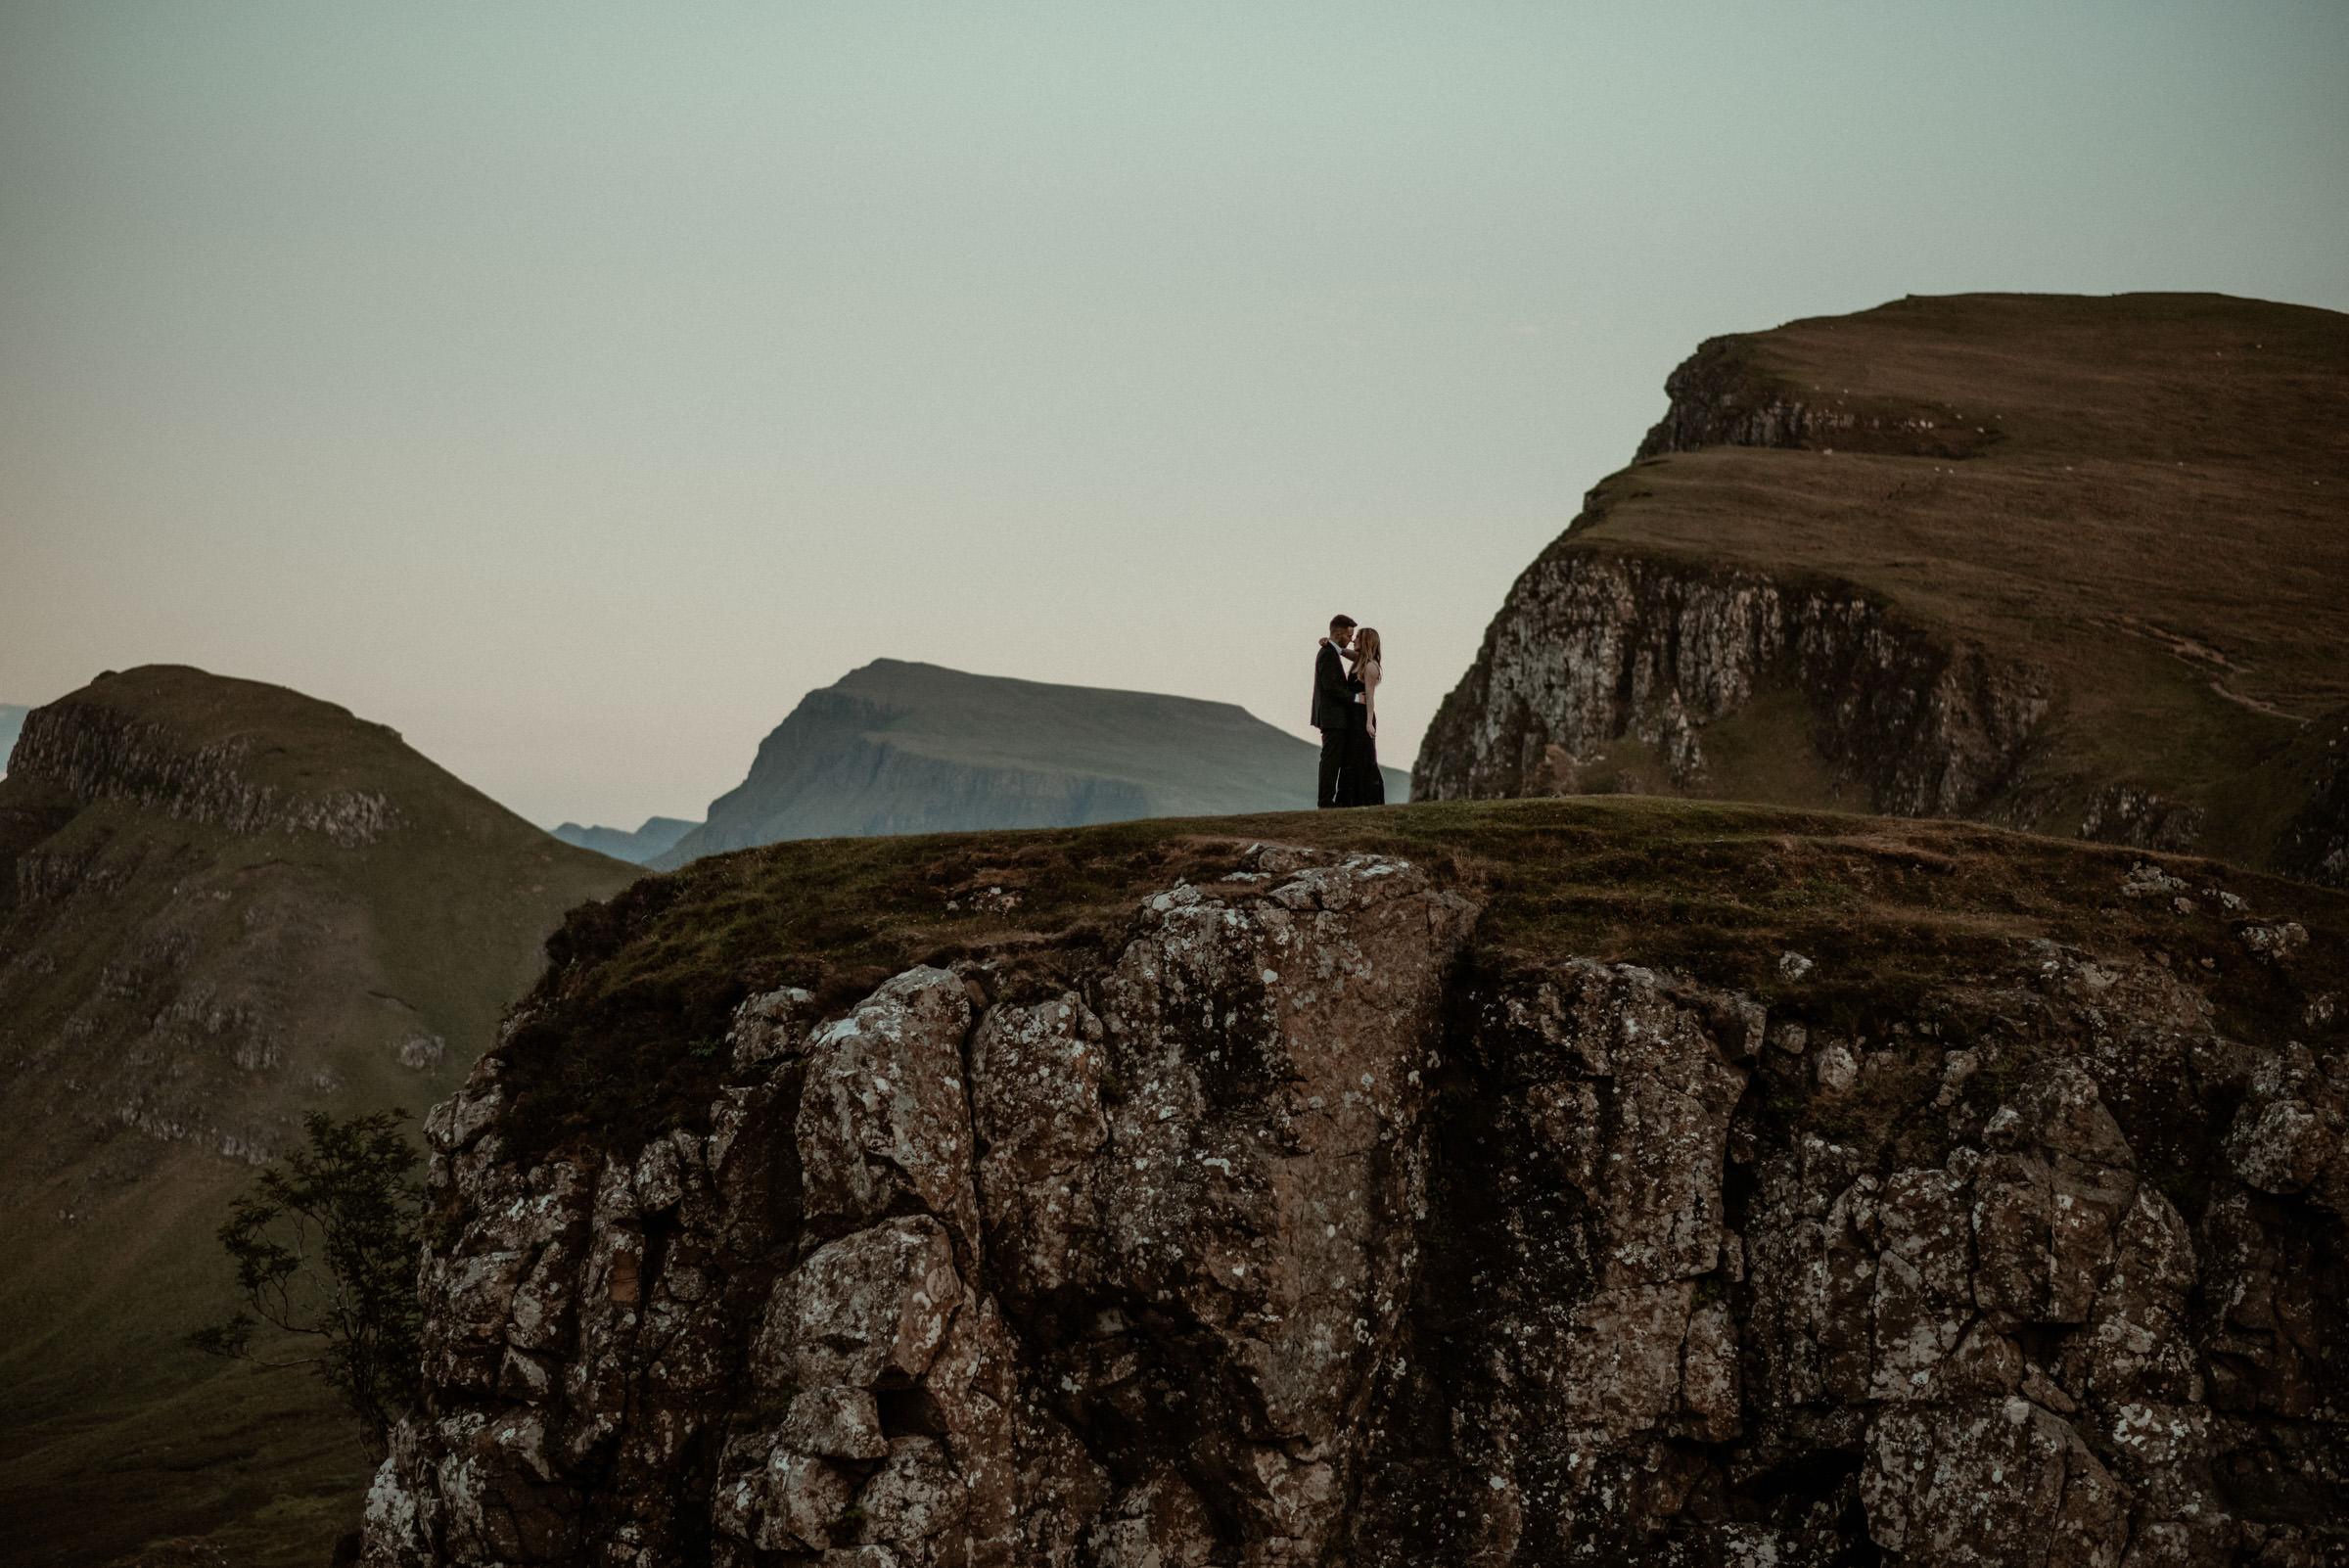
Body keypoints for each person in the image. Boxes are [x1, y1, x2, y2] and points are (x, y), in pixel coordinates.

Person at [1312, 615, 1358, 807]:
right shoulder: (1327, 654)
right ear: (1338, 634)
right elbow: (1330, 686)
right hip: (1332, 717)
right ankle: (1325, 801)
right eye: (1348, 636)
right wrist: (1355, 698)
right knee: (1330, 759)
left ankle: (1329, 799)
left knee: (1332, 758)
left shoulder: (1331, 651)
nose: (1350, 641)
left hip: (1334, 716)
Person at [1337, 627, 1385, 807]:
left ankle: (1366, 799)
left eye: (1357, 637)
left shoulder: (1370, 666)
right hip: (1352, 716)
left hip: (1362, 717)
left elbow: (1370, 697)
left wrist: (1368, 723)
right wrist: (1334, 646)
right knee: (1350, 756)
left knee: (1363, 757)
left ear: (1365, 641)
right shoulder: (1359, 661)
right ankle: (1350, 801)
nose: (1353, 640)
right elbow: (1346, 652)